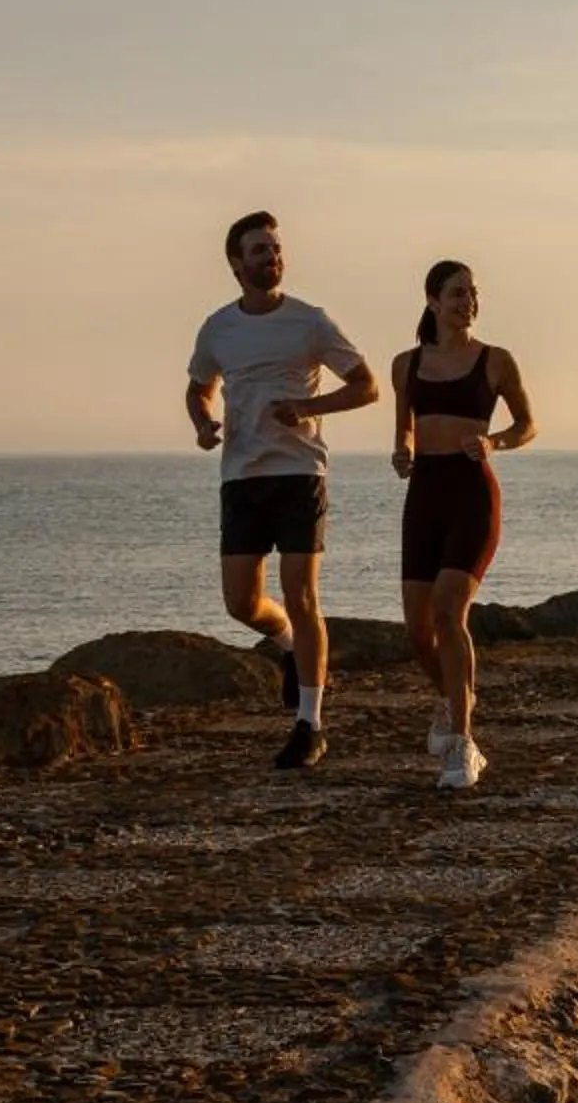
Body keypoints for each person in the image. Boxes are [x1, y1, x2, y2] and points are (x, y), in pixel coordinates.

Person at [186, 211, 379, 769]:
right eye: (258, 250)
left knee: (303, 594)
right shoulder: (217, 327)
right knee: (241, 602)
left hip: (301, 472)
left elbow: (366, 387)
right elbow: (199, 389)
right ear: (235, 263)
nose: (270, 257)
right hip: (242, 475)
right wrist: (202, 425)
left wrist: (308, 408)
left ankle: (310, 724)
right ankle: (293, 647)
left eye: (275, 248)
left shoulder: (310, 322)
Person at [390, 258, 536, 789]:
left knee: (449, 611)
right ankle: (452, 703)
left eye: (472, 293)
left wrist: (494, 442)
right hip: (424, 493)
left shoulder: (495, 361)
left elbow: (527, 424)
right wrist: (402, 453)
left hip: (473, 493)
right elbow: (404, 428)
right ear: (432, 300)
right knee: (417, 631)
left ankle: (463, 744)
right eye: (456, 293)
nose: (467, 301)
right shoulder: (406, 364)